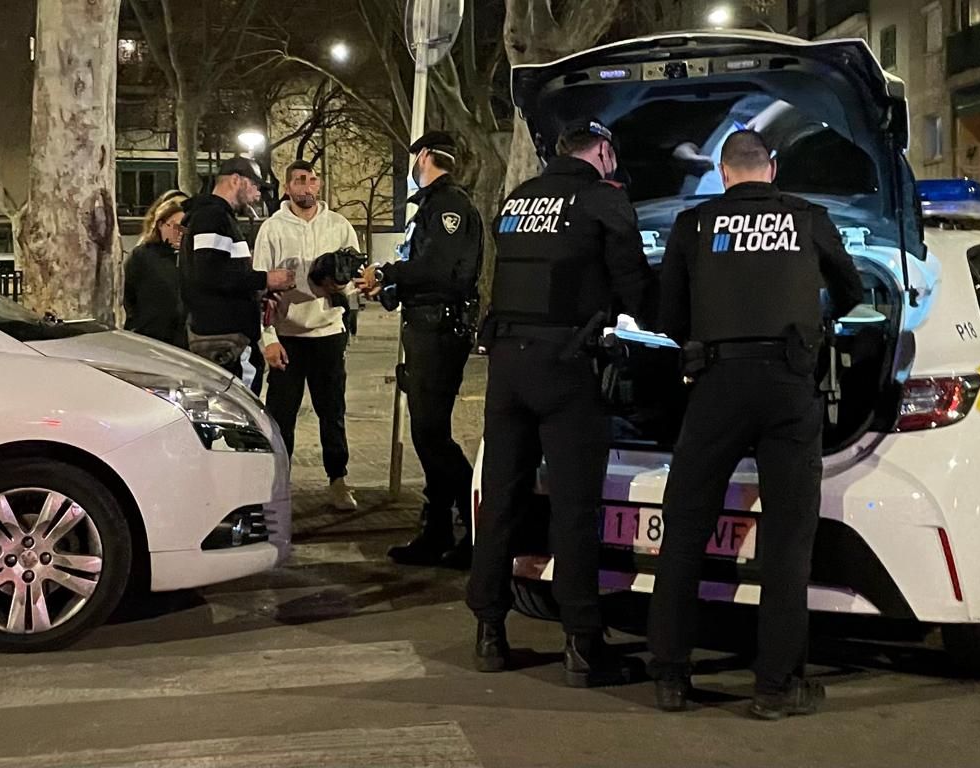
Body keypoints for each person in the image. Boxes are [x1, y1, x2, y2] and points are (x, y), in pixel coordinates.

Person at [647, 130, 863, 719]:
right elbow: (853, 289)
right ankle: (776, 687)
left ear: (722, 171)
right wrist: (809, 318)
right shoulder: (808, 218)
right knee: (789, 541)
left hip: (716, 384)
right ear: (771, 168)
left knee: (685, 529)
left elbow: (667, 315)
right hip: (789, 385)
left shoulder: (693, 225)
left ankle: (669, 677)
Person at [465, 118, 655, 687]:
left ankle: (490, 632)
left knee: (501, 498)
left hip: (508, 366)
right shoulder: (602, 200)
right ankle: (582, 642)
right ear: (601, 150)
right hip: (567, 366)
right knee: (575, 507)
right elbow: (636, 289)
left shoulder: (520, 199)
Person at [356, 130, 482, 569]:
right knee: (429, 435)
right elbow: (424, 272)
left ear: (425, 156)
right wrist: (388, 287)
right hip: (426, 326)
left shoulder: (447, 204)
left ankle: (473, 528)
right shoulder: (433, 205)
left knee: (432, 435)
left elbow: (438, 268)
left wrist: (386, 271)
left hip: (439, 331)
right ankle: (439, 530)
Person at [254, 160, 360, 511]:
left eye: (313, 179)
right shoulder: (272, 229)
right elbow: (260, 290)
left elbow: (356, 278)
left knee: (333, 411)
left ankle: (338, 479)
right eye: (300, 180)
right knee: (281, 415)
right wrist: (267, 337)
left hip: (329, 332)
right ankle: (279, 483)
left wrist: (342, 291)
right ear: (287, 188)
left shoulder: (339, 226)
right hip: (287, 335)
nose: (308, 186)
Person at [179, 157, 293, 393]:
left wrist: (258, 292)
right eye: (255, 185)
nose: (258, 193)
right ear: (236, 180)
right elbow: (209, 274)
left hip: (225, 339)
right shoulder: (213, 217)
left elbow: (220, 274)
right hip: (225, 341)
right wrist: (265, 280)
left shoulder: (215, 217)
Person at [123, 198, 187, 347]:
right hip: (150, 336)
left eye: (185, 228)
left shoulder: (192, 257)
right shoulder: (142, 255)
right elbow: (127, 293)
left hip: (183, 339)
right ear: (160, 225)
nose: (180, 232)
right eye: (175, 226)